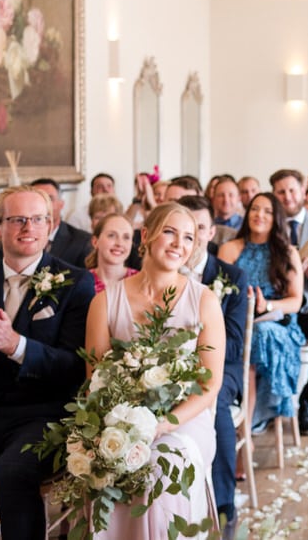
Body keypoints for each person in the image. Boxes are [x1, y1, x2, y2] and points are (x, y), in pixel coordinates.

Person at [0, 185, 95, 539]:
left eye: (38, 219)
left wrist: (16, 345)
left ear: (49, 224)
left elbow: (75, 368)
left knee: (12, 473)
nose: (29, 228)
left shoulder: (75, 282)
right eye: (18, 220)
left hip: (40, 418)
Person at [84, 202, 225, 537]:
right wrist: (122, 424)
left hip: (185, 420)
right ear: (145, 235)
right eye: (170, 232)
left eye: (189, 238)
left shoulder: (204, 300)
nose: (179, 244)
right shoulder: (104, 302)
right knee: (108, 458)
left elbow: (211, 384)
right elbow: (95, 377)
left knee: (161, 464)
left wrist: (162, 424)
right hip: (120, 418)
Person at [176, 195, 248, 530]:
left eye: (198, 228)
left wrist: (195, 351)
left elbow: (233, 345)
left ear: (209, 233)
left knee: (211, 399)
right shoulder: (162, 271)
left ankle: (222, 505)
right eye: (183, 228)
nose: (189, 236)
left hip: (222, 369)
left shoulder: (231, 276)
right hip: (168, 368)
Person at [218, 193, 304, 431]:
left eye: (267, 211)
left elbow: (295, 301)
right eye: (255, 209)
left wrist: (266, 305)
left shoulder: (287, 253)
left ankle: (246, 424)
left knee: (259, 334)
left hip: (278, 324)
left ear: (276, 217)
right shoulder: (230, 249)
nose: (259, 215)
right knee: (246, 335)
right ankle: (241, 422)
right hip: (236, 320)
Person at [270, 168, 308, 435]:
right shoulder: (270, 224)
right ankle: (270, 407)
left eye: (292, 190)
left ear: (303, 191)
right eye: (281, 192)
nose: (288, 196)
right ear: (275, 195)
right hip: (278, 306)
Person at [30, 178, 92, 268]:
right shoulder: (17, 238)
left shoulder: (82, 241)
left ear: (61, 204)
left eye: (50, 198)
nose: (44, 204)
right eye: (38, 199)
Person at [85, 213, 137, 293]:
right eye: (111, 235)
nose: (119, 243)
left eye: (126, 237)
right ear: (95, 242)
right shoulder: (82, 282)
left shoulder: (140, 282)